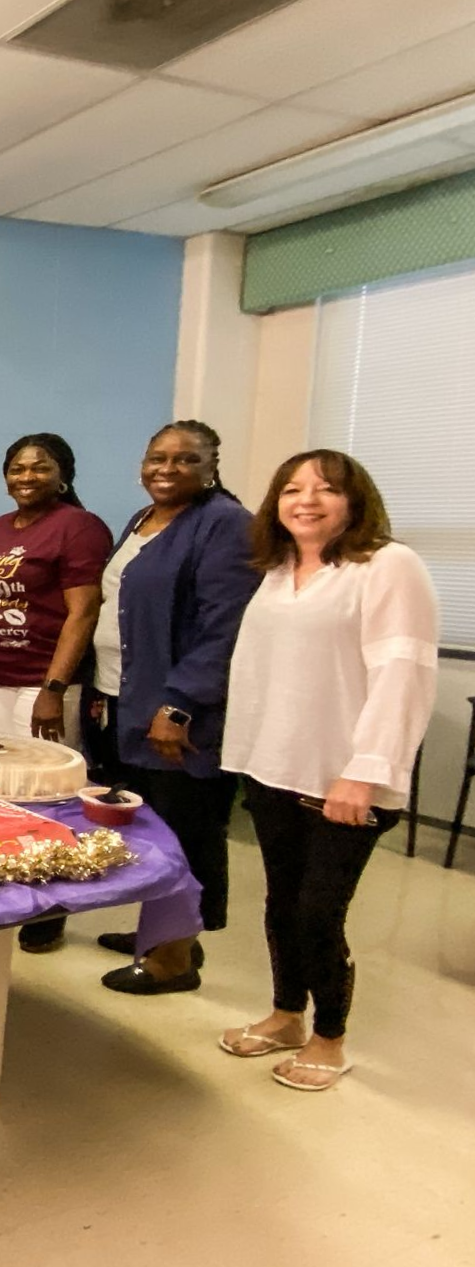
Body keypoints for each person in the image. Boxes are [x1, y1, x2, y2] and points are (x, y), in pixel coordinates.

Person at [218, 450, 437, 1093]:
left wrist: (364, 771)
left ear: (355, 500)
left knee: (318, 913)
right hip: (273, 766)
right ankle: (286, 1015)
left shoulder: (388, 566)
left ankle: (329, 1038)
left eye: (324, 489)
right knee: (281, 903)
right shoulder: (279, 569)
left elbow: (403, 675)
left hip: (344, 779)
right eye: (291, 489)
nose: (305, 501)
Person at [83, 423, 259, 996]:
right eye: (157, 457)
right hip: (123, 695)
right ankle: (162, 931)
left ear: (211, 466)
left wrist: (180, 704)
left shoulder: (226, 524)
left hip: (177, 711)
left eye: (186, 459)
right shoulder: (144, 519)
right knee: (150, 827)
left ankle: (174, 959)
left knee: (184, 830)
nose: (167, 468)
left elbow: (224, 628)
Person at [0, 433, 111, 953]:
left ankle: (54, 906)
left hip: (43, 681)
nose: (27, 477)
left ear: (63, 474)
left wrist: (54, 687)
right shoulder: (1, 527)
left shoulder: (80, 527)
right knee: (4, 791)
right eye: (17, 468)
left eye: (40, 467)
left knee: (51, 796)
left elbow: (83, 612)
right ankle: (16, 888)